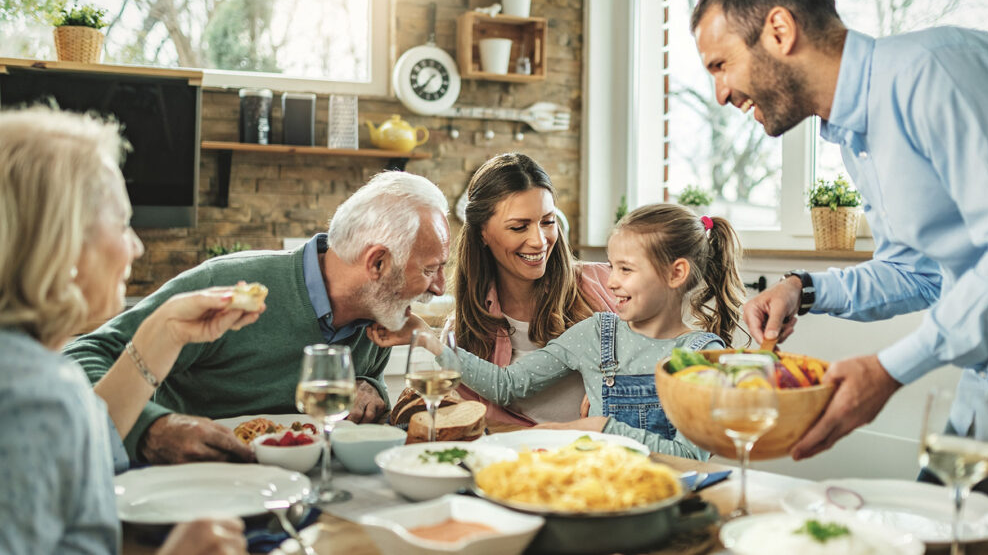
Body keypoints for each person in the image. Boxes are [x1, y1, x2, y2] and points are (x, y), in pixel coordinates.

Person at [693, 0, 988, 505]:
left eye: (720, 65)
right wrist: (804, 288)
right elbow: (919, 272)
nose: (721, 94)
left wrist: (890, 369)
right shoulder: (858, 134)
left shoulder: (940, 69)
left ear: (779, 30)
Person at [65, 169, 450, 464]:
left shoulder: (381, 313)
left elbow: (365, 391)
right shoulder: (228, 283)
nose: (440, 288)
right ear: (378, 262)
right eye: (432, 269)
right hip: (189, 487)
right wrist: (151, 428)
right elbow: (80, 358)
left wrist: (371, 388)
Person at [0, 107, 253, 553]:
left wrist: (166, 330)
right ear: (62, 242)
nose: (135, 244)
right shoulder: (33, 394)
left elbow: (88, 448)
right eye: (121, 223)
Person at [373, 203, 746, 459]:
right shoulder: (597, 333)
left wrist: (602, 427)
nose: (611, 282)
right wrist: (428, 340)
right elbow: (508, 385)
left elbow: (690, 456)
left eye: (626, 270)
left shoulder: (700, 355)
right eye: (612, 267)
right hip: (590, 488)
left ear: (676, 273)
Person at [448, 153, 617, 426]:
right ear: (482, 233)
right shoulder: (463, 333)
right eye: (519, 227)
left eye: (547, 222)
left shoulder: (607, 285)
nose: (539, 241)